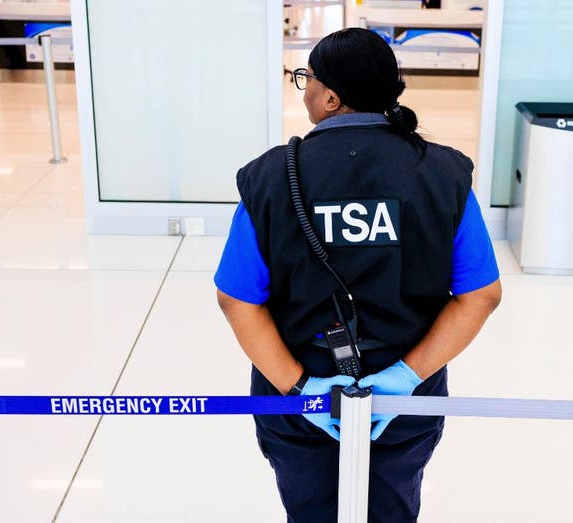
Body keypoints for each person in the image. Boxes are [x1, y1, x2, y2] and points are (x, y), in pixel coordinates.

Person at [214, 28, 501, 523]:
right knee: (392, 506)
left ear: (330, 97)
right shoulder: (442, 174)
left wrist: (299, 387)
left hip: (298, 390)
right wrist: (404, 378)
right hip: (406, 394)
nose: (303, 89)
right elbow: (481, 295)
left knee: (310, 508)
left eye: (306, 78)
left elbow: (237, 299)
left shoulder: (271, 178)